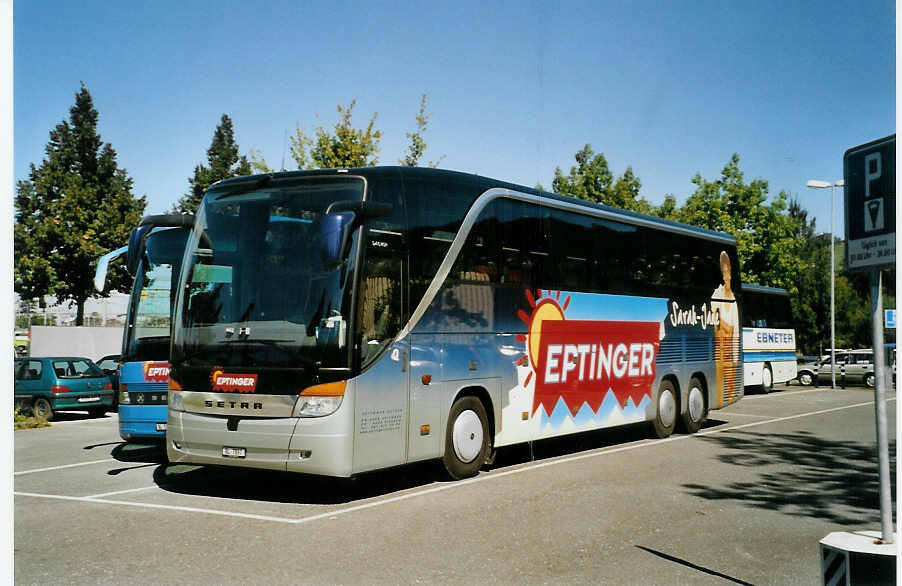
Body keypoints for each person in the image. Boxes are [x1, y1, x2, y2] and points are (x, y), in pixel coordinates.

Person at [712, 251, 739, 407]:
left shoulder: (734, 299)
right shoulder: (717, 294)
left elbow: (735, 331)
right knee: (719, 387)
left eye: (728, 272)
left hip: (730, 350)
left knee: (730, 390)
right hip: (719, 350)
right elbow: (712, 319)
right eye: (724, 272)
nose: (726, 276)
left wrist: (735, 359)